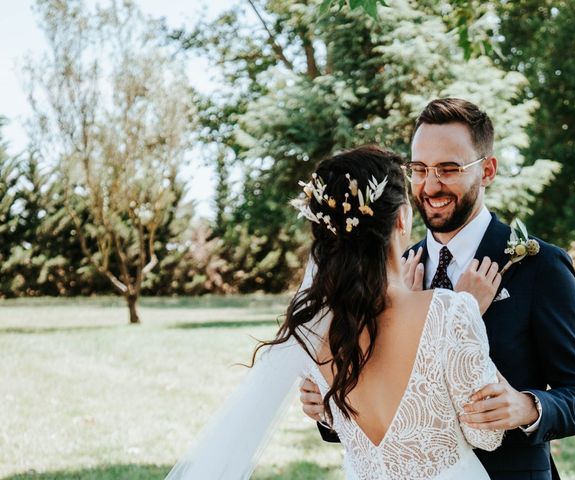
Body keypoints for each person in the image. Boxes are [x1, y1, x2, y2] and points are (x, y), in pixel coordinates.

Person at [301, 98, 575, 480]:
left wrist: (527, 406)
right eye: (420, 169)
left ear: (487, 170)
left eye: (449, 168)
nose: (430, 185)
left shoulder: (539, 266)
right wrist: (327, 405)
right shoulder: (388, 269)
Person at [166, 145, 506, 480]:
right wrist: (466, 314)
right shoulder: (451, 310)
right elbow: (486, 436)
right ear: (402, 217)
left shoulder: (315, 327)